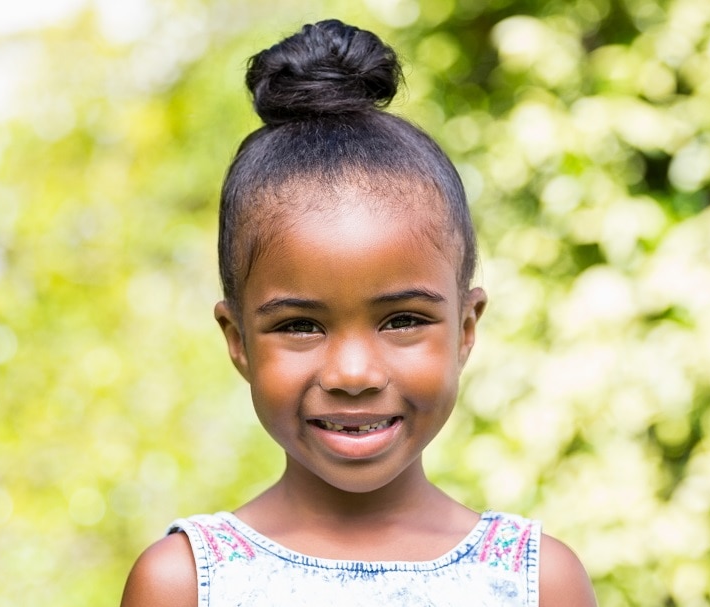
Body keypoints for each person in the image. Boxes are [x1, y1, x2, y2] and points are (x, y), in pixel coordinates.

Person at [121, 19, 597, 607]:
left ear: (466, 329)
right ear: (238, 338)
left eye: (403, 320)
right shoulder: (185, 584)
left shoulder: (538, 582)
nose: (353, 374)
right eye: (300, 325)